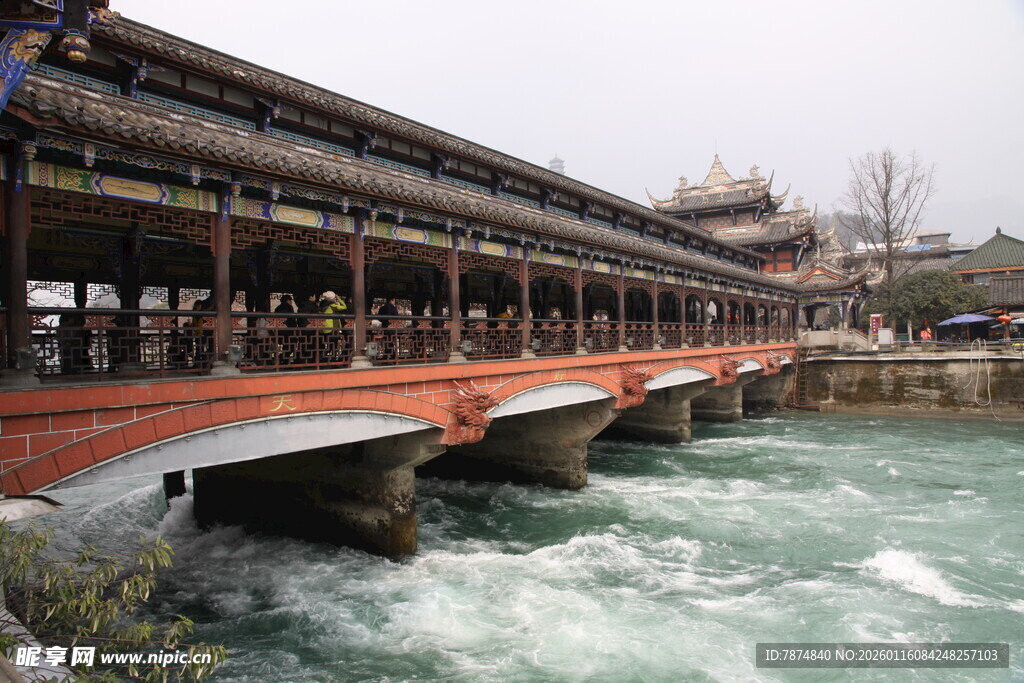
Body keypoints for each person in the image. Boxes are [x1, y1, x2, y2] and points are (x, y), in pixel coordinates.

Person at [319, 291, 347, 362]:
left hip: (324, 328)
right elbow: (344, 307)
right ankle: (331, 359)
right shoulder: (332, 306)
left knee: (329, 345)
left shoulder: (322, 305)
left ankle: (322, 357)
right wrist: (339, 299)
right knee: (334, 345)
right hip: (332, 328)